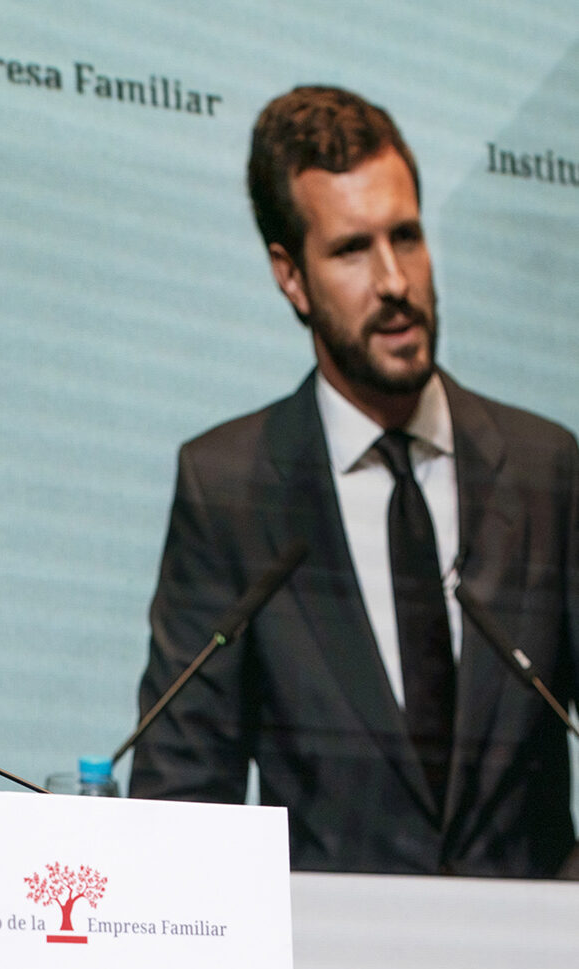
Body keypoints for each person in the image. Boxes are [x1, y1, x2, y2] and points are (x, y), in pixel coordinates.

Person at [129, 86, 579, 877]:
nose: (394, 280)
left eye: (406, 236)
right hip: (328, 950)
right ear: (291, 277)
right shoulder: (230, 491)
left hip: (538, 947)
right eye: (351, 250)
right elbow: (182, 798)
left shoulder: (547, 469)